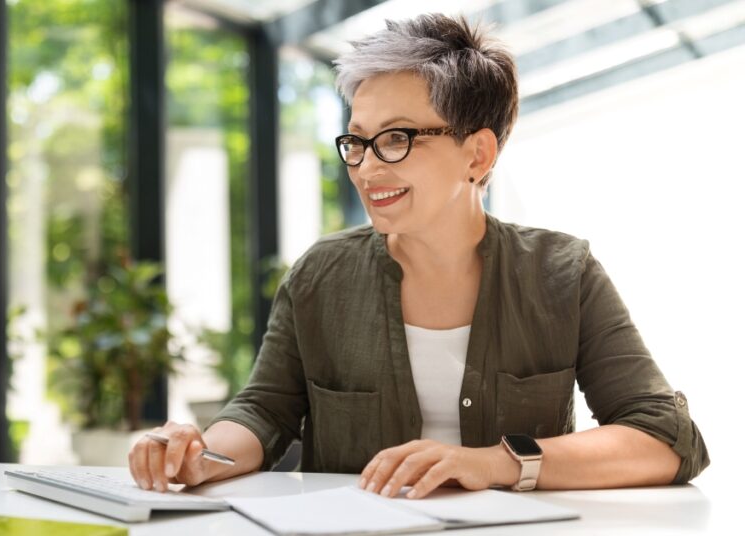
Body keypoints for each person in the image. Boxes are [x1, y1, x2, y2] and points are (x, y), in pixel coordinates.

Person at [127, 13, 708, 499]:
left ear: (477, 154)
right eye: (356, 140)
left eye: (397, 138)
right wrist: (202, 455)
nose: (367, 167)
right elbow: (263, 412)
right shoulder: (320, 275)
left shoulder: (563, 273)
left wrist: (493, 463)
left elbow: (665, 437)